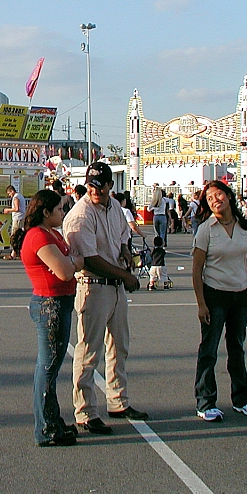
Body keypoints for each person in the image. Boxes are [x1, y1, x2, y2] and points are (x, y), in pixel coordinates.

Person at [63, 162, 146, 435]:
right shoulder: (80, 214)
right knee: (88, 352)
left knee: (119, 346)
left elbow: (121, 237)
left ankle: (118, 401)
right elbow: (89, 259)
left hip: (115, 287)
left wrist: (125, 253)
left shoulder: (115, 210)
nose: (95, 191)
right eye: (91, 186)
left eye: (100, 186)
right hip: (93, 286)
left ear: (110, 186)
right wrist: (125, 275)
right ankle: (85, 411)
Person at [191, 180, 247, 422]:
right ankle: (205, 401)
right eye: (210, 198)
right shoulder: (206, 229)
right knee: (209, 350)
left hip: (240, 295)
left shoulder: (246, 227)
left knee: (237, 348)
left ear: (230, 196)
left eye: (219, 194)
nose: (215, 200)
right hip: (215, 295)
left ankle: (243, 399)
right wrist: (201, 303)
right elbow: (197, 269)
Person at [21, 189, 86, 447]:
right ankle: (46, 428)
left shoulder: (51, 233)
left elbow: (66, 263)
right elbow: (64, 271)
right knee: (47, 368)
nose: (62, 212)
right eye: (59, 209)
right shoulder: (38, 236)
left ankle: (52, 420)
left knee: (52, 366)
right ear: (45, 212)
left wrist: (71, 261)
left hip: (59, 302)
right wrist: (74, 262)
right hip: (50, 304)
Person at [5, 185, 25, 260]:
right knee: (20, 236)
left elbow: (17, 208)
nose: (9, 195)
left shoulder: (16, 197)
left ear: (12, 191)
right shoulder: (20, 196)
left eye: (9, 193)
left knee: (14, 236)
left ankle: (13, 254)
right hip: (21, 217)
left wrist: (8, 210)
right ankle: (17, 253)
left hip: (17, 218)